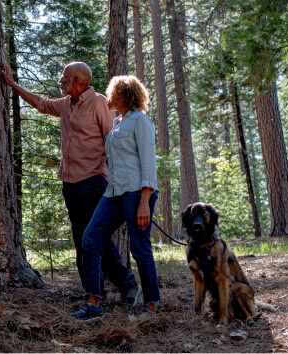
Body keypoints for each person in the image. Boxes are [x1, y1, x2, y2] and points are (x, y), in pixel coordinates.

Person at [2, 62, 139, 302]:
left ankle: (126, 285)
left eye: (64, 77)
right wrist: (14, 85)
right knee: (80, 238)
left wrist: (121, 180)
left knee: (95, 237)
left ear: (77, 81)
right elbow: (41, 104)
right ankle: (93, 292)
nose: (60, 80)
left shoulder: (99, 103)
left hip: (94, 181)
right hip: (70, 183)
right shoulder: (66, 104)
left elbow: (113, 141)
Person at [70, 75, 160, 321]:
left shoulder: (140, 121)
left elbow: (149, 163)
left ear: (123, 94)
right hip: (113, 192)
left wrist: (145, 201)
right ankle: (93, 304)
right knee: (90, 239)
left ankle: (151, 305)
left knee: (140, 248)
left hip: (136, 192)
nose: (108, 96)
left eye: (112, 92)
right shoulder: (118, 123)